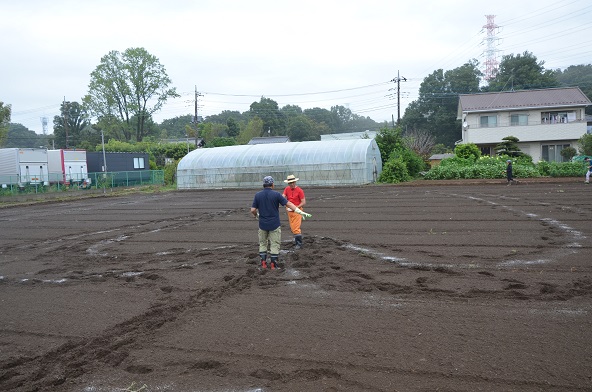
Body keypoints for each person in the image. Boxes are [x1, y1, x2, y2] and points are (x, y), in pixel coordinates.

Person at [251, 176, 311, 270]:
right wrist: (300, 211)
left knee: (262, 243)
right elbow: (289, 204)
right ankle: (273, 265)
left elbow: (253, 210)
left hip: (262, 224)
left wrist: (256, 216)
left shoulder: (257, 195)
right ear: (273, 184)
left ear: (263, 185)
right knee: (274, 244)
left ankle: (263, 263)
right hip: (274, 224)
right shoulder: (276, 195)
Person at [282, 174, 306, 249]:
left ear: (295, 182)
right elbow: (282, 196)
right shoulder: (287, 189)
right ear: (288, 183)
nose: (292, 184)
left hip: (297, 211)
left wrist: (295, 207)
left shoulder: (299, 190)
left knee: (296, 228)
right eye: (290, 183)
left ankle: (299, 244)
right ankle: (297, 241)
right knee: (292, 227)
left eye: (293, 182)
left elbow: (303, 202)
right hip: (289, 211)